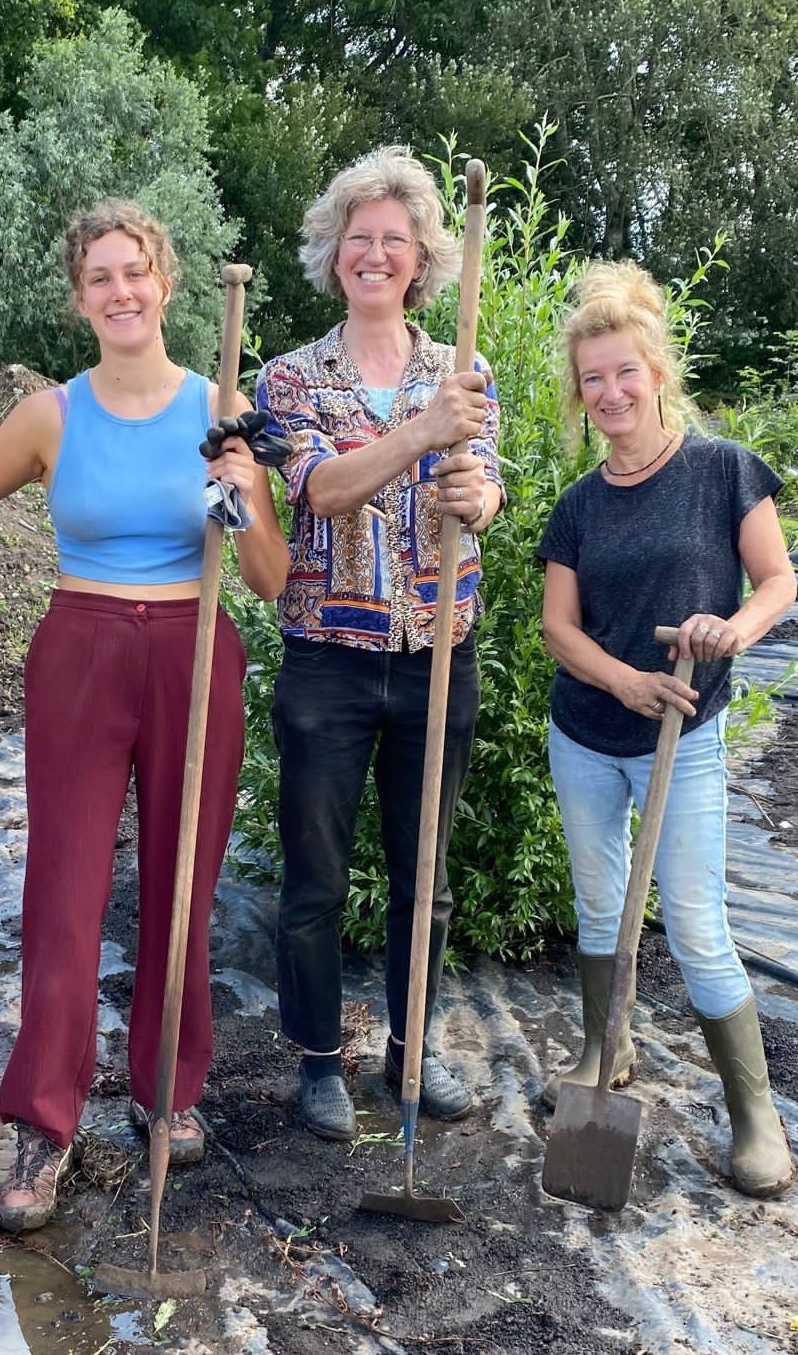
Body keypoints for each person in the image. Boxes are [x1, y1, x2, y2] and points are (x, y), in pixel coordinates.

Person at [0, 199, 288, 1232]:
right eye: (101, 278)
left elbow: (266, 576)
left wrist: (244, 485)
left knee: (181, 882)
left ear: (164, 281)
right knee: (66, 892)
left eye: (137, 271)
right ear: (80, 298)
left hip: (195, 644)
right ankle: (46, 1119)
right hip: (79, 649)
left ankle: (166, 1091)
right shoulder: (50, 415)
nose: (122, 291)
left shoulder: (222, 403)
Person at [256, 147, 505, 1142]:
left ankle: (412, 1044)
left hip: (440, 649)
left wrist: (475, 492)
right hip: (328, 661)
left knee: (425, 877)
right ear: (333, 254)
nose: (374, 254)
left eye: (393, 241)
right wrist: (418, 434)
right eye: (357, 239)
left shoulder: (464, 366)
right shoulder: (289, 379)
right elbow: (319, 488)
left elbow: (483, 480)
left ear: (421, 259)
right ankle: (320, 1059)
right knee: (316, 874)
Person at [537, 259, 798, 1198]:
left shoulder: (722, 470)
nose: (608, 392)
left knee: (693, 921)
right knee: (601, 908)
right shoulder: (578, 506)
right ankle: (604, 1051)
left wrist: (729, 629)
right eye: (591, 379)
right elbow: (557, 627)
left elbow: (777, 579)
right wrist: (625, 680)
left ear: (656, 373)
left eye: (624, 373)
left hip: (683, 737)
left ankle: (755, 1116)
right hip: (587, 734)